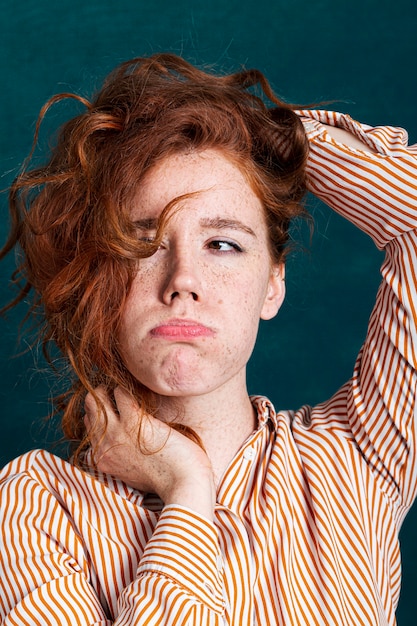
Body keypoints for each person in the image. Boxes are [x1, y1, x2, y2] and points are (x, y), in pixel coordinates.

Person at [0, 53, 416, 626]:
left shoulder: (358, 458)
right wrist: (186, 488)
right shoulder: (35, 508)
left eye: (223, 243)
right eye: (144, 243)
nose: (183, 282)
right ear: (99, 275)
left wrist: (277, 139)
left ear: (273, 283)